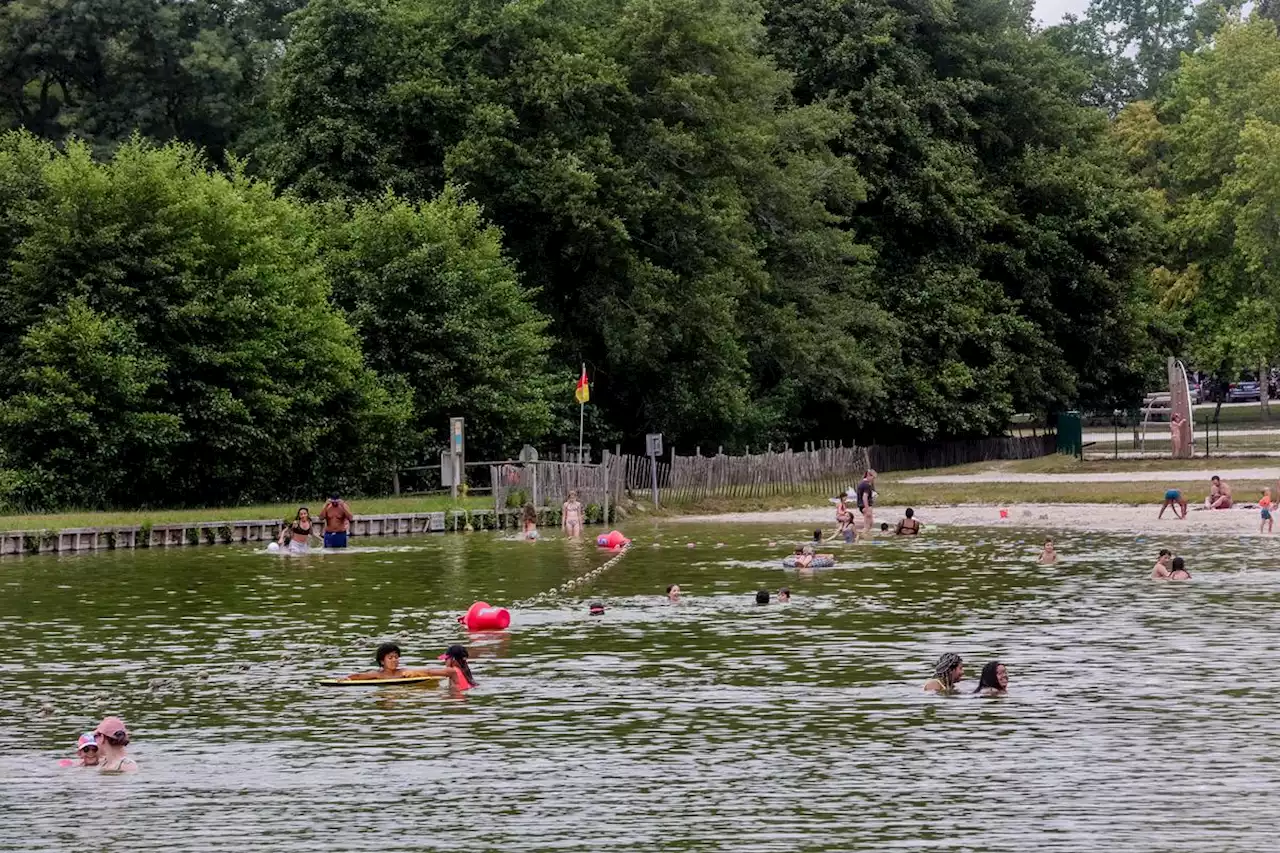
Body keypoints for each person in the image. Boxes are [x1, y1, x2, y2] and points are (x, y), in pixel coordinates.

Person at [346, 643, 476, 688]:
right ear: (382, 661)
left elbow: (429, 671)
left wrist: (417, 673)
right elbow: (361, 675)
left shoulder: (404, 671)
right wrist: (349, 678)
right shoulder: (377, 674)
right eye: (390, 658)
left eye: (396, 657)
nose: (394, 660)